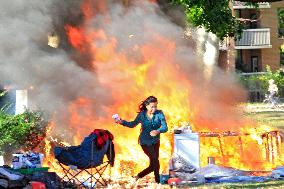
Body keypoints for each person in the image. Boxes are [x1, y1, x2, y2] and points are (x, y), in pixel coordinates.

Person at [114, 96, 168, 183]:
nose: (154, 109)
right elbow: (132, 124)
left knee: (153, 164)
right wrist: (121, 122)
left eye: (156, 106)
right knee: (156, 162)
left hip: (155, 142)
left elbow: (165, 127)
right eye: (152, 107)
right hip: (145, 142)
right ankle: (158, 182)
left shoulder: (159, 113)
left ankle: (138, 176)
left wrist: (158, 131)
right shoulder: (141, 115)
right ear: (146, 106)